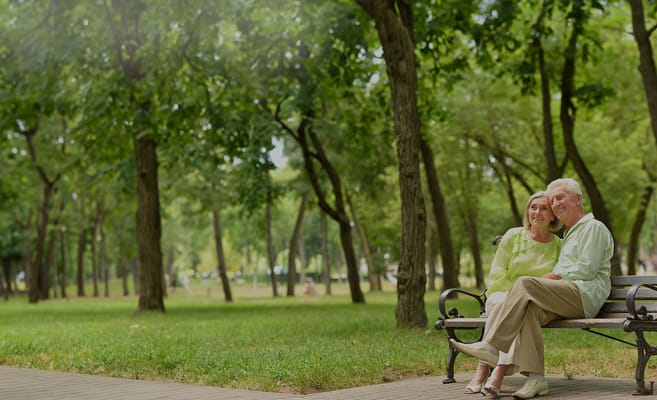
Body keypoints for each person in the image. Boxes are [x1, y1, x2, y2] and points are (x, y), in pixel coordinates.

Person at [451, 178, 614, 399]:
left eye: (560, 197)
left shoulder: (593, 228)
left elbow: (586, 269)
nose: (556, 203)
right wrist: (553, 279)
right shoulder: (571, 233)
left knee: (526, 283)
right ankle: (536, 379)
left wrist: (553, 276)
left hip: (584, 295)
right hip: (568, 294)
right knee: (529, 311)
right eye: (553, 199)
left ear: (578, 199)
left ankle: (491, 348)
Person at [464, 192, 562, 395]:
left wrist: (525, 294)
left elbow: (558, 278)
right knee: (508, 305)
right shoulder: (513, 235)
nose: (537, 212)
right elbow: (497, 271)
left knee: (521, 307)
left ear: (553, 215)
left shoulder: (559, 246)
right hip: (502, 293)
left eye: (544, 208)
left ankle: (491, 372)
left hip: (536, 299)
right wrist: (511, 294)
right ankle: (489, 372)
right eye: (533, 207)